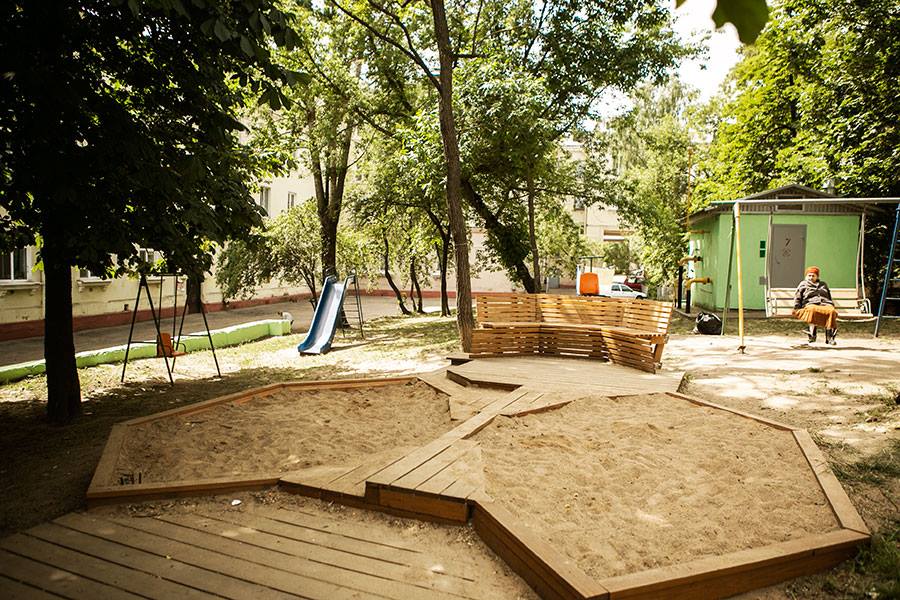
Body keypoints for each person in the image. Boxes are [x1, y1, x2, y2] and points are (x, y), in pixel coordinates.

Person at [793, 266, 838, 345]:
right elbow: (798, 296)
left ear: (817, 276)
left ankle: (829, 337)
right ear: (806, 276)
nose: (811, 277)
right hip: (810, 304)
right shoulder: (803, 284)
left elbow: (829, 296)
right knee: (813, 310)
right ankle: (812, 334)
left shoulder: (823, 284)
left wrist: (831, 304)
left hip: (825, 304)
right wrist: (797, 307)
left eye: (813, 276)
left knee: (831, 311)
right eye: (809, 275)